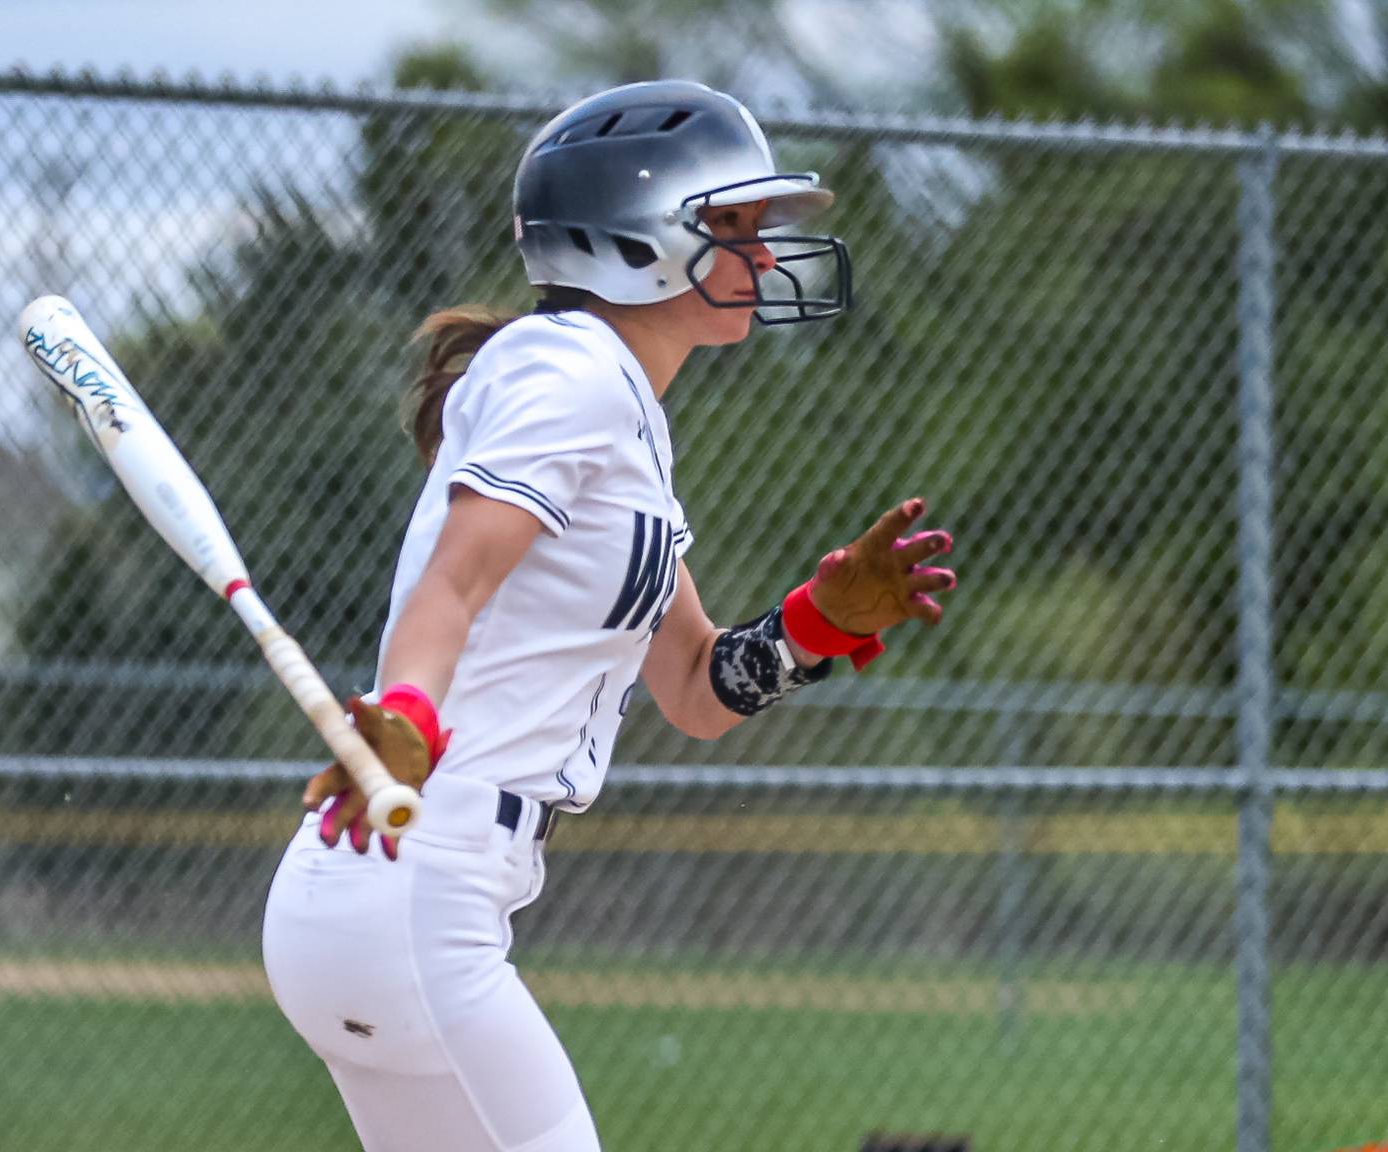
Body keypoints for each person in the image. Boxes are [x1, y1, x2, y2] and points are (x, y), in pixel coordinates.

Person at [261, 79, 956, 1152]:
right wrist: (404, 713)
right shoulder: (571, 369)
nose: (764, 257)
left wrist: (819, 622)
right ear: (635, 243)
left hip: (381, 893)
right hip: (421, 876)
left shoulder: (614, 411)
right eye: (732, 228)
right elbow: (455, 579)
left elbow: (693, 688)